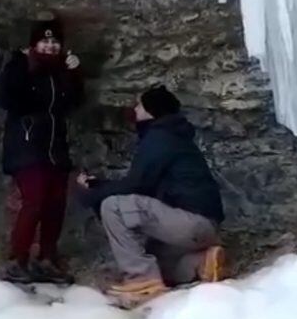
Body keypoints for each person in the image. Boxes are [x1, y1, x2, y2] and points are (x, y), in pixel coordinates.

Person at [76, 85, 226, 305]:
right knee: (153, 259)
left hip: (188, 222)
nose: (134, 109)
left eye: (139, 104)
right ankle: (202, 262)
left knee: (113, 205)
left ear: (151, 110)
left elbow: (137, 184)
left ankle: (142, 281)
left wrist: (93, 194)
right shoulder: (175, 136)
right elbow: (143, 183)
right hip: (203, 227)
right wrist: (100, 184)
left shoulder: (160, 137)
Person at [0, 18, 84, 284]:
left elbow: (75, 102)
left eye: (54, 42)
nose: (49, 46)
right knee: (34, 202)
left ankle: (47, 258)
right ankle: (17, 260)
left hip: (55, 148)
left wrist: (74, 74)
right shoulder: (20, 66)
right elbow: (7, 97)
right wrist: (21, 65)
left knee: (56, 203)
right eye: (44, 41)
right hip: (27, 145)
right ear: (34, 44)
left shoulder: (60, 72)